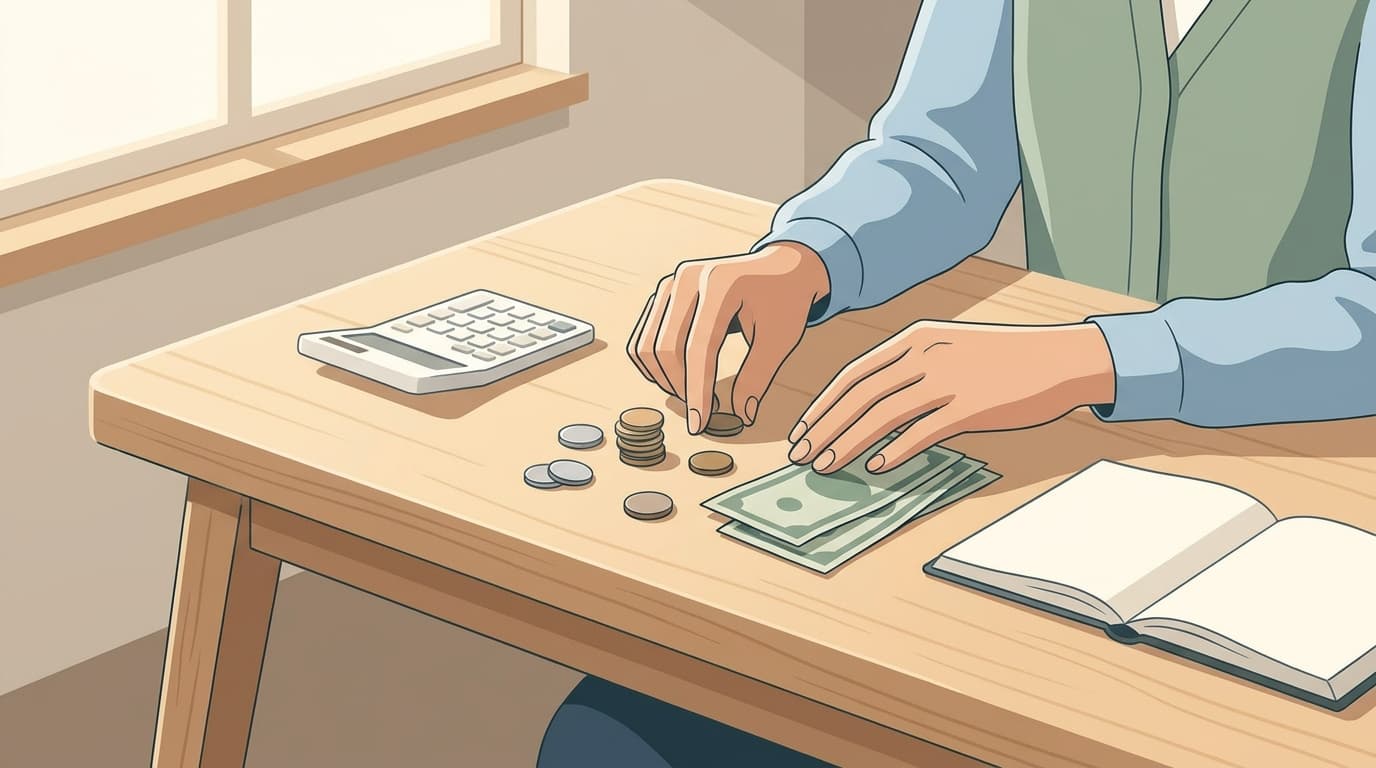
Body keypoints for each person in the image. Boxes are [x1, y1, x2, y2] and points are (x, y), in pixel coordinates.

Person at [540, 0, 1376, 764]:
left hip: (1308, 508)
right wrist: (808, 258)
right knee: (618, 732)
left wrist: (1087, 359)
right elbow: (940, 155)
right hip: (1056, 478)